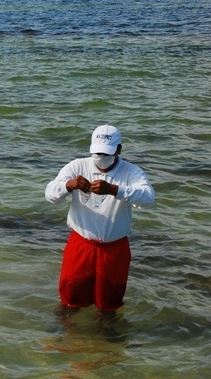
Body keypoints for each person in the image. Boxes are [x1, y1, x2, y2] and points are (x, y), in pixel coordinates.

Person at [45, 124, 155, 312]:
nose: (101, 158)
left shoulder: (131, 172)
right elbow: (50, 194)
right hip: (81, 245)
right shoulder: (77, 166)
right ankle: (64, 336)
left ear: (119, 150)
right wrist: (68, 185)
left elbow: (148, 198)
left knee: (109, 303)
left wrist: (115, 190)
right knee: (70, 297)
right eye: (97, 153)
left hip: (114, 248)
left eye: (106, 153)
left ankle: (105, 337)